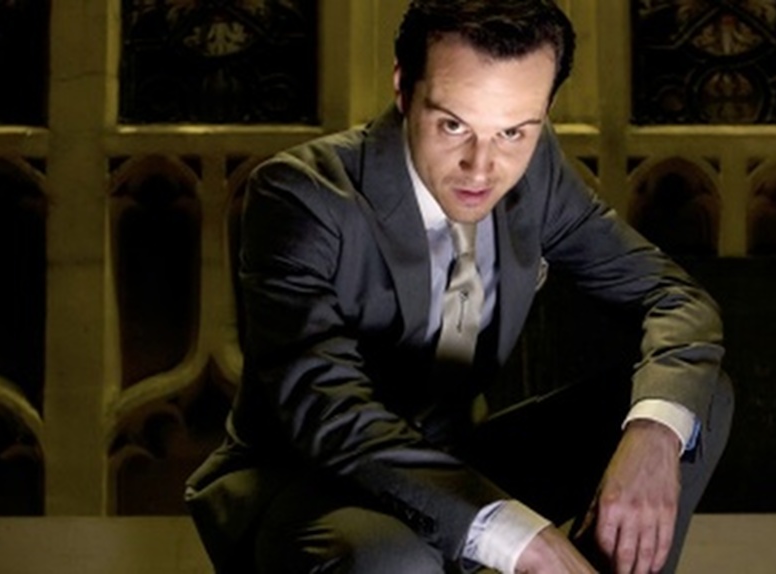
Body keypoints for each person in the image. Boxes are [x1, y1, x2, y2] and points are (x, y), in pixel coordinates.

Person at [185, 1, 733, 572]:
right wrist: (521, 539)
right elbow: (325, 408)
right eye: (453, 125)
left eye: (513, 131)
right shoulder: (300, 194)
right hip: (306, 483)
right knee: (393, 556)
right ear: (403, 88)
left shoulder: (537, 172)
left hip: (455, 458)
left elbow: (675, 297)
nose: (481, 166)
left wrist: (653, 434)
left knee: (693, 402)